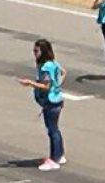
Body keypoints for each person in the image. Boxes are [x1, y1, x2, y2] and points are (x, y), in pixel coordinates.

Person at [19, 39, 67, 171]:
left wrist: (30, 83)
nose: (34, 53)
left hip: (50, 102)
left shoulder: (46, 67)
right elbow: (63, 72)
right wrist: (58, 85)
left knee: (52, 130)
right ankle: (59, 154)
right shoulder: (53, 63)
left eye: (36, 51)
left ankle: (54, 159)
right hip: (57, 99)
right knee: (55, 129)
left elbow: (45, 86)